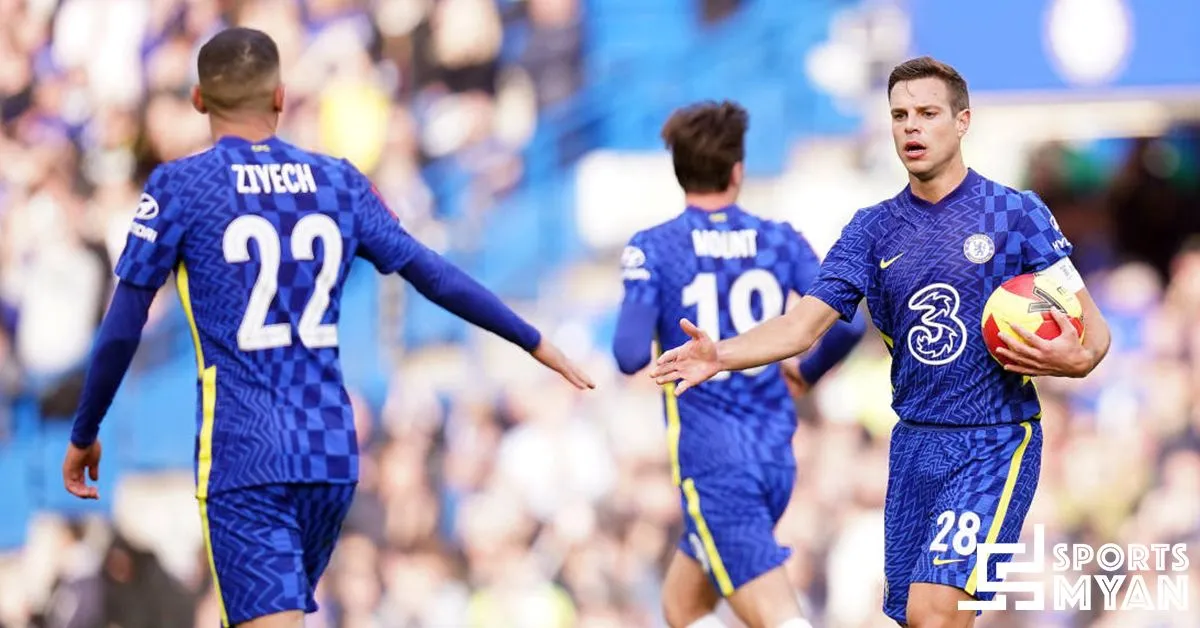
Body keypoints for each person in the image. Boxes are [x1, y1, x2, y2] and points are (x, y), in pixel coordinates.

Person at [60, 27, 593, 628]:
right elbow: (432, 272)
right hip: (329, 451)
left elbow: (124, 323)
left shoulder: (180, 187)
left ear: (198, 100)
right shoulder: (338, 181)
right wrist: (531, 338)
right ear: (280, 96)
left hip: (247, 451)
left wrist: (85, 430)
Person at [648, 57, 1112, 628]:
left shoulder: (1015, 214)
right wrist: (721, 353)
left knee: (934, 614)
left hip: (994, 440)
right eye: (899, 115)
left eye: (927, 113)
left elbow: (1094, 333)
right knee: (912, 618)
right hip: (914, 444)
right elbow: (802, 326)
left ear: (963, 121)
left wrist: (1077, 359)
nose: (911, 126)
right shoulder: (871, 229)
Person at [613, 100, 865, 628]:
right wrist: (804, 373)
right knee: (683, 606)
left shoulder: (655, 247)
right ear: (737, 171)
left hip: (713, 460)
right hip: (774, 455)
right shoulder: (780, 239)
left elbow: (629, 353)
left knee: (779, 618)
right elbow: (846, 324)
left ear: (679, 171)